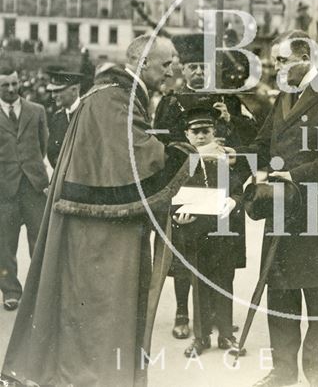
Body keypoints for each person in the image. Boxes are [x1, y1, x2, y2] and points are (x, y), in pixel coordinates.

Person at [1, 35, 220, 387]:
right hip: (99, 234)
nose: (173, 71)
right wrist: (191, 152)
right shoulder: (115, 98)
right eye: (166, 64)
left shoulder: (115, 95)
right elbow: (137, 161)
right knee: (100, 311)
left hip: (95, 225)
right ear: (142, 62)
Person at [236, 30, 318, 387]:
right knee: (280, 292)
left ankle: (317, 375)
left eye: (282, 60)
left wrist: (294, 175)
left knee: (317, 299)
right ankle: (283, 371)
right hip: (281, 209)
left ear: (305, 58)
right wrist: (240, 159)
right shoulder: (284, 98)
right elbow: (263, 142)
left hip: (317, 212)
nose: (275, 66)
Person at [153, 33, 255, 341]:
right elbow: (159, 153)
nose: (198, 72)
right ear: (182, 70)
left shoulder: (229, 102)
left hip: (224, 196)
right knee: (186, 255)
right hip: (186, 193)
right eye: (192, 67)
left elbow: (250, 151)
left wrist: (232, 123)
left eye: (203, 67)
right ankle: (184, 311)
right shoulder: (170, 104)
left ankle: (221, 318)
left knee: (225, 258)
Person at [170, 106, 247, 358]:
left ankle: (226, 334)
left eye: (206, 131)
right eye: (195, 132)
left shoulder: (223, 160)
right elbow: (169, 197)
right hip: (193, 232)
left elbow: (238, 190)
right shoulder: (179, 161)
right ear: (187, 135)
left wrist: (234, 201)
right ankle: (201, 337)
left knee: (224, 281)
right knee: (199, 283)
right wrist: (177, 217)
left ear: (214, 133)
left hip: (222, 231)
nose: (201, 137)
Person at [0, 66, 48, 312]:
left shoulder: (36, 111)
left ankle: (38, 290)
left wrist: (32, 170)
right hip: (4, 190)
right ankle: (10, 291)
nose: (11, 89)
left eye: (14, 83)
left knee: (38, 239)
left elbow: (43, 145)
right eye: (5, 85)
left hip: (33, 186)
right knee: (5, 243)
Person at [45, 67, 84, 168]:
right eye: (52, 91)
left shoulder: (88, 115)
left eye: (58, 91)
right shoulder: (57, 118)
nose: (53, 96)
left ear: (74, 90)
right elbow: (52, 152)